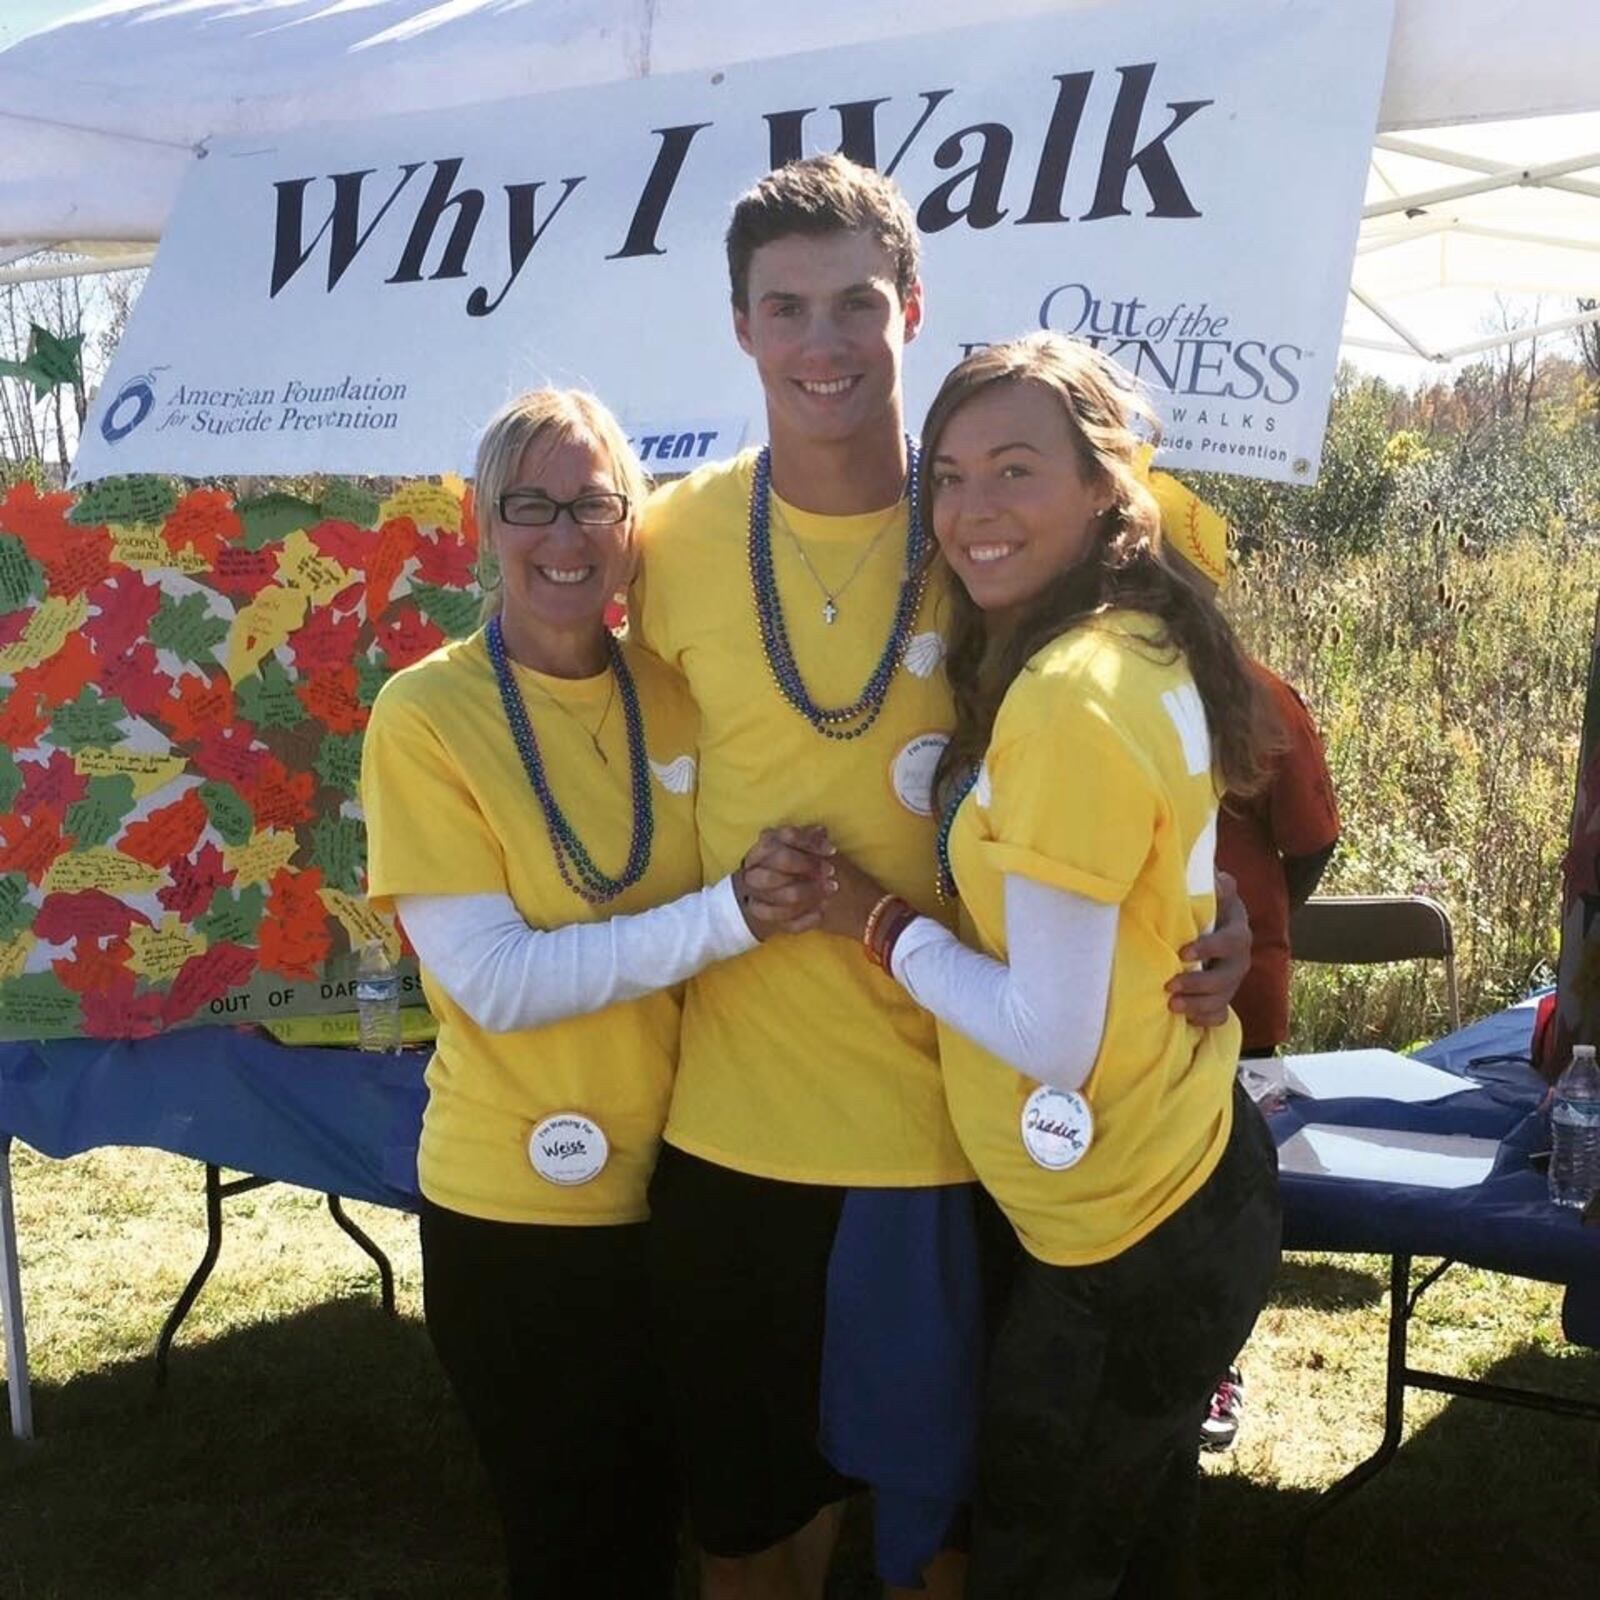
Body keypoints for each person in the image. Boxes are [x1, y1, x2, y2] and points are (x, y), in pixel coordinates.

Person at [635, 154, 1254, 1600]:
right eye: (786, 309)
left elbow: (1211, 735)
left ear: (912, 308)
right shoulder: (667, 546)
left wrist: (1217, 909)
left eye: (858, 302)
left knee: (953, 1553)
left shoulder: (1012, 518)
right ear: (740, 330)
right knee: (748, 1540)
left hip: (960, 1143)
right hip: (737, 1131)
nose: (824, 343)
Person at [808, 332, 1284, 1598]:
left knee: (1044, 1563)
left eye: (1015, 471)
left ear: (1103, 485)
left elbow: (1047, 1033)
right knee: (1132, 1544)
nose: (972, 512)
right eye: (950, 477)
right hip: (1176, 1177)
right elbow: (1155, 861)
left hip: (1124, 1227)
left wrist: (869, 919)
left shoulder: (1070, 690)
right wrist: (1215, 907)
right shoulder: (1134, 635)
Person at [358, 389, 830, 1600]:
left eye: (592, 504)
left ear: (633, 529)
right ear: (483, 520)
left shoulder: (680, 694)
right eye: (531, 503)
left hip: (695, 1186)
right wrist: (729, 914)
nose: (563, 535)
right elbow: (498, 981)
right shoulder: (424, 714)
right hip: (518, 1213)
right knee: (581, 1551)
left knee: (712, 1522)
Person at [1151, 474, 1339, 1452]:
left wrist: (1256, 926)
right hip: (1132, 996)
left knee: (1219, 1194)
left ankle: (1213, 1367)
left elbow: (1309, 839)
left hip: (1235, 1000)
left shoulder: (1258, 696)